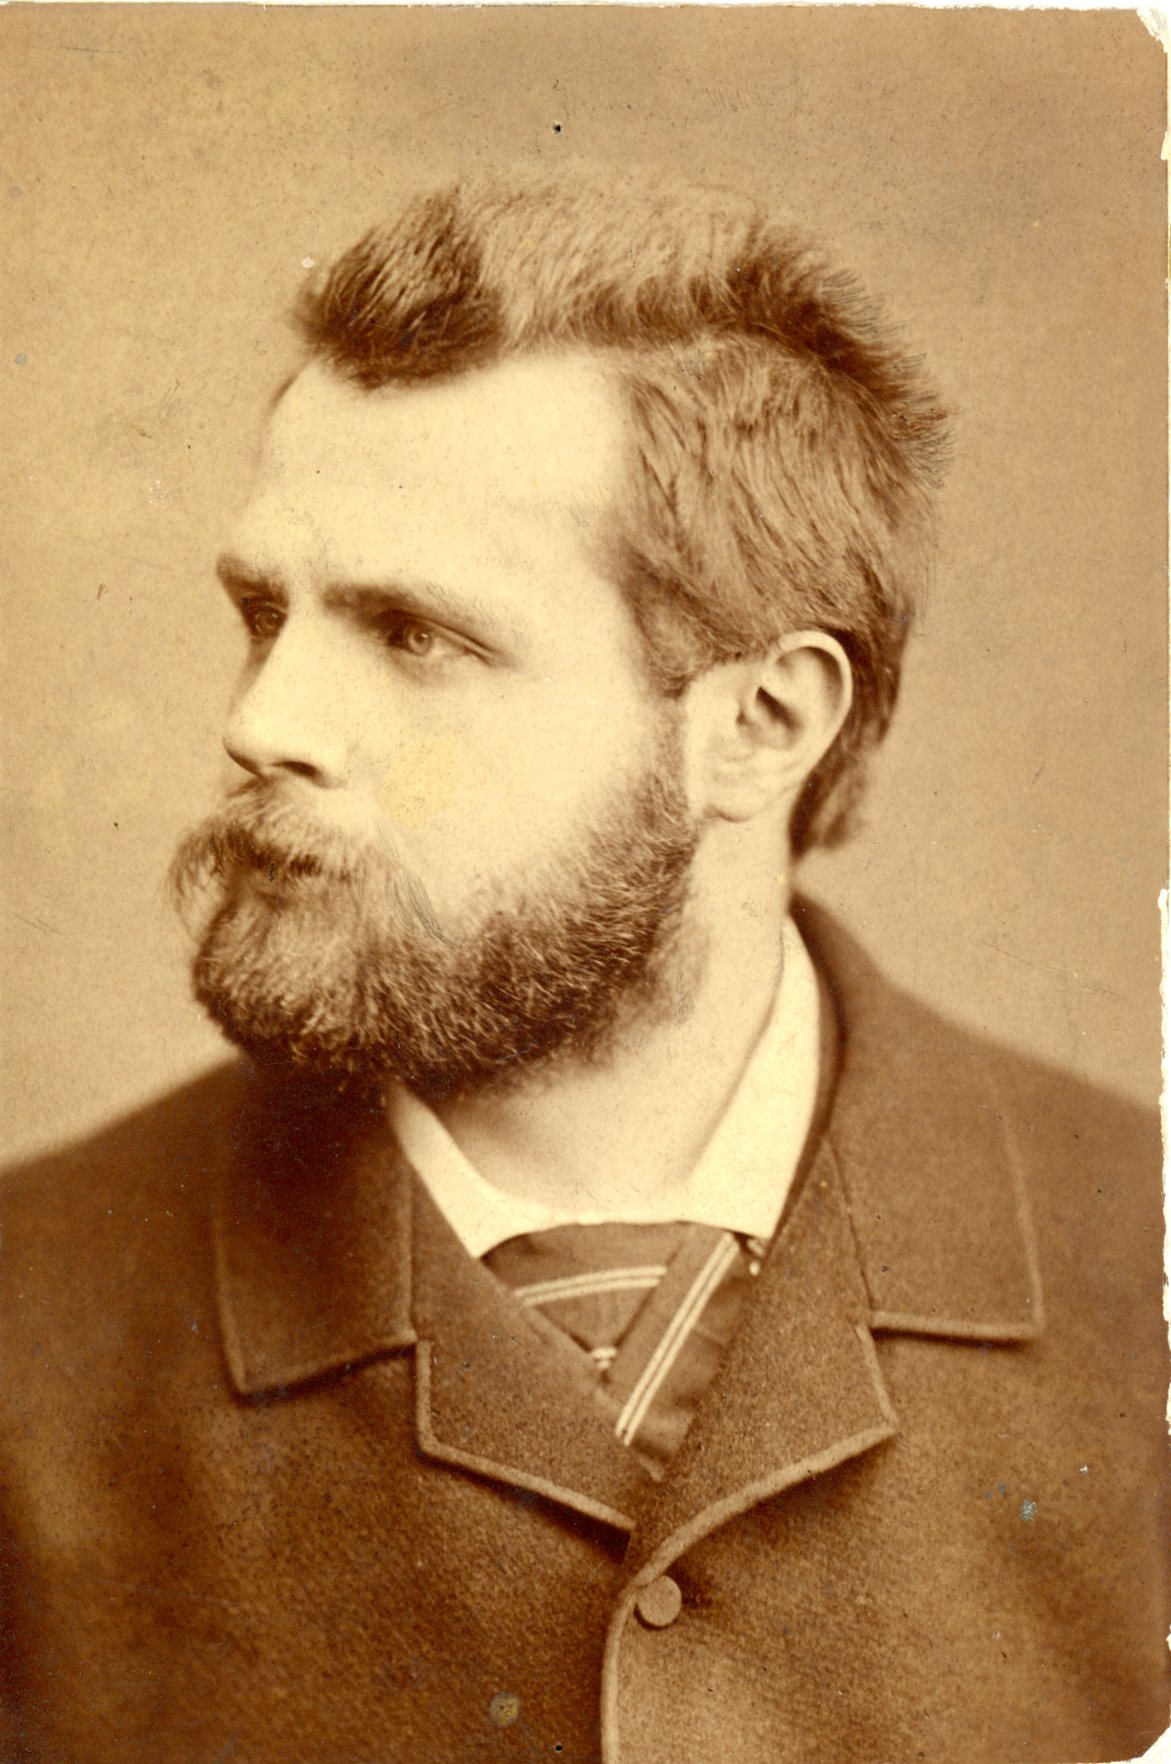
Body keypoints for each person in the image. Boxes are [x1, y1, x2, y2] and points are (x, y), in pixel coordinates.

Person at [1, 174, 1165, 1764]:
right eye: (266, 613)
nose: (261, 721)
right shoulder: (29, 1324)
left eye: (415, 635)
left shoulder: (1142, 1273)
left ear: (761, 726)